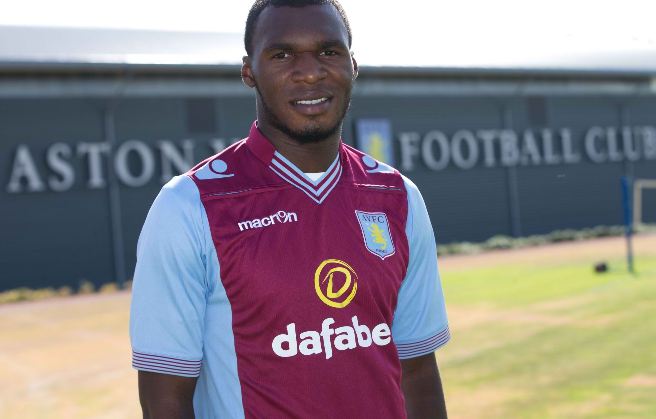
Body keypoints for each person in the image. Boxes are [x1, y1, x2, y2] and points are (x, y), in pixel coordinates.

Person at [129, 0, 450, 417]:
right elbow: (165, 401)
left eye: (328, 51)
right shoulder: (190, 206)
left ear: (353, 64)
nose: (310, 70)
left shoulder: (397, 196)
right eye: (282, 54)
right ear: (249, 71)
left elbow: (419, 373)